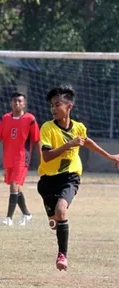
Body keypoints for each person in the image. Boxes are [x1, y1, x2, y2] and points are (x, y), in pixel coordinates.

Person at [38, 85, 119, 271]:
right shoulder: (47, 127)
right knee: (54, 222)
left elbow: (87, 141)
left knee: (61, 210)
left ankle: (62, 255)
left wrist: (110, 156)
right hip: (47, 181)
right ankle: (54, 218)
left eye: (57, 104)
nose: (53, 108)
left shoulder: (79, 128)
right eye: (51, 105)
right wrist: (69, 145)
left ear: (69, 107)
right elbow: (47, 157)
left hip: (70, 177)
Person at [0, 92, 40, 226]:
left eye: (19, 101)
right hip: (9, 158)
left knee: (13, 185)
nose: (17, 103)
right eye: (14, 101)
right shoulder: (5, 118)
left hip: (23, 158)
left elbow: (36, 141)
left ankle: (8, 218)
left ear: (24, 103)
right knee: (17, 188)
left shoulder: (30, 119)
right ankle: (27, 214)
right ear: (11, 103)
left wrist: (42, 159)